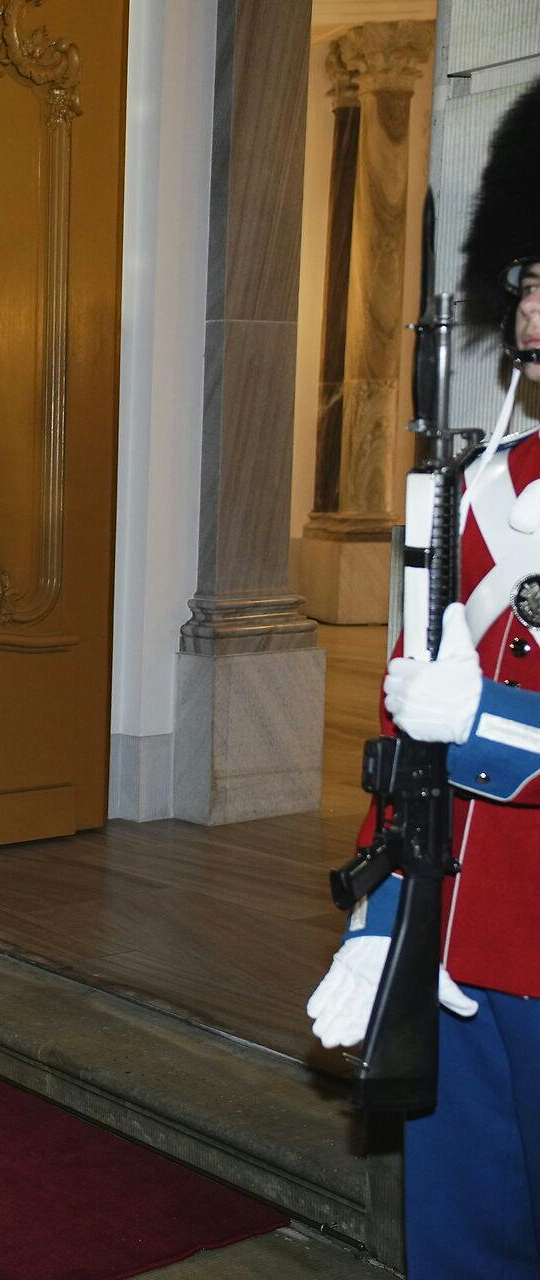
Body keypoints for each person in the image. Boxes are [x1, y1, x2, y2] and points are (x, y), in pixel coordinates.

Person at [307, 80, 540, 1276]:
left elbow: (470, 718)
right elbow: (411, 739)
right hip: (461, 948)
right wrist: (385, 917)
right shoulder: (491, 488)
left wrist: (493, 724)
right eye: (533, 274)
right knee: (461, 1248)